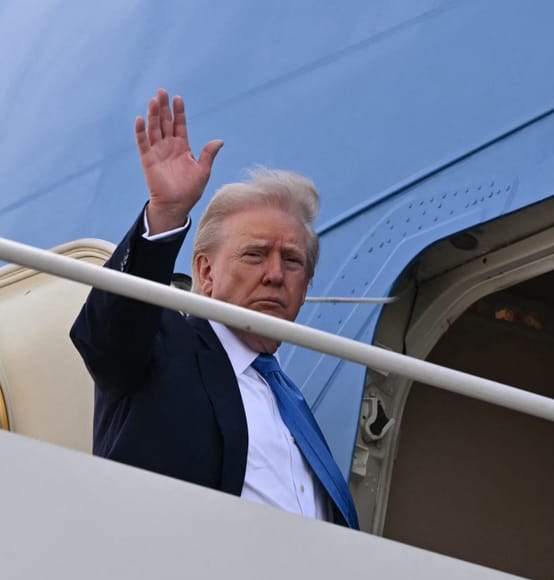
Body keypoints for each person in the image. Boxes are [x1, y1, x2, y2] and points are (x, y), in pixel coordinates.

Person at [70, 89, 358, 529]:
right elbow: (106, 337)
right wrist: (165, 215)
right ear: (205, 272)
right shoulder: (164, 347)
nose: (275, 274)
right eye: (255, 255)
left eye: (293, 261)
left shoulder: (290, 400)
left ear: (306, 287)